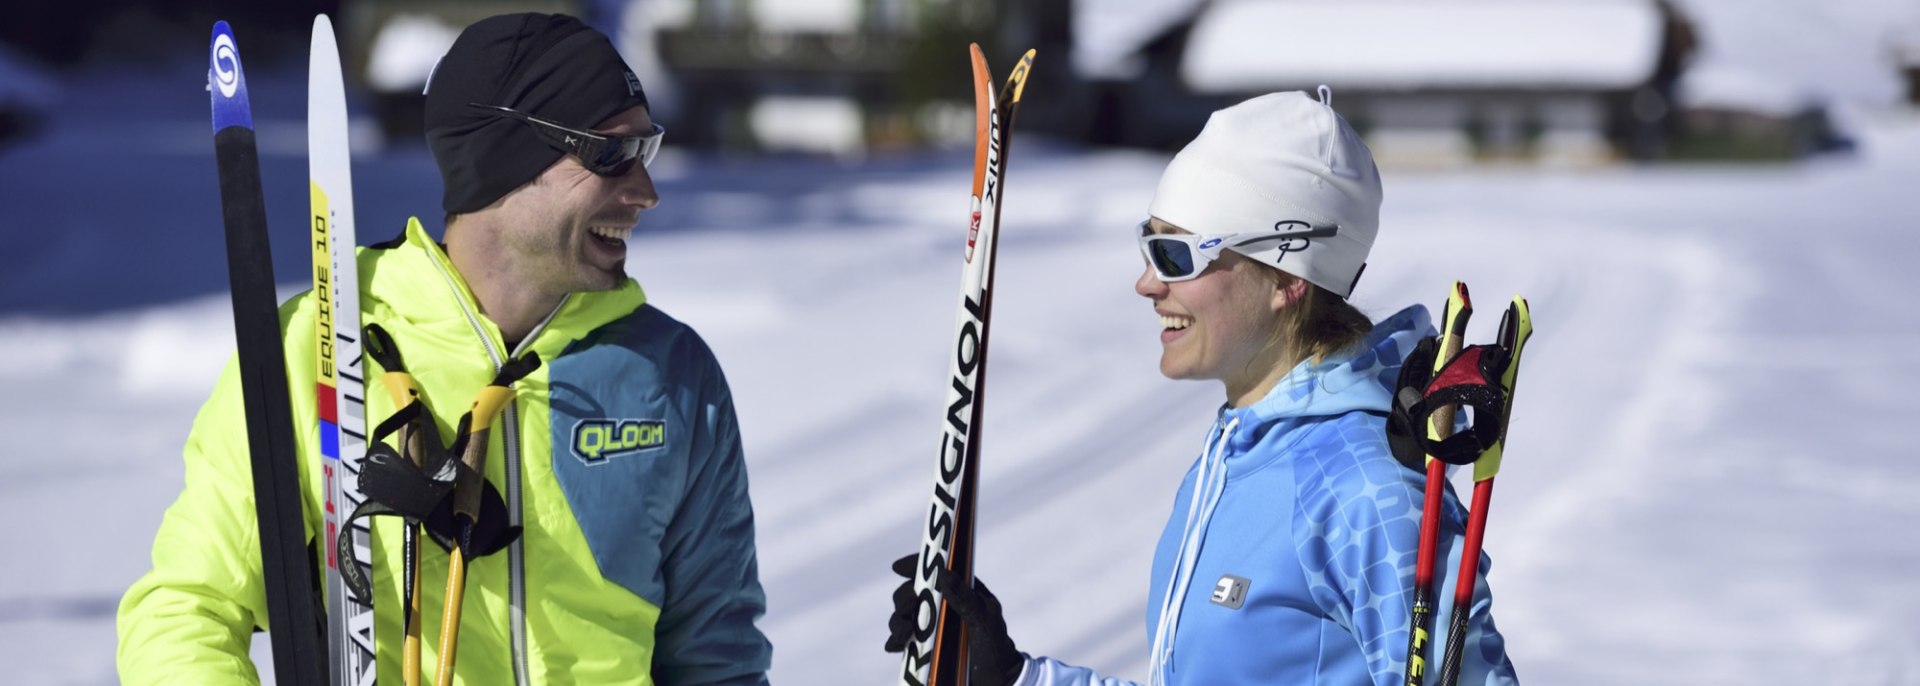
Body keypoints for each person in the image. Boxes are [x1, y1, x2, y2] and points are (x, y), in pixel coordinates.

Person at [117, 13, 771, 685]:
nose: (645, 191)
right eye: (609, 154)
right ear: (501, 157)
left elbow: (716, 655)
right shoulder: (314, 346)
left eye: (646, 150)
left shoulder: (669, 376)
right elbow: (186, 611)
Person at [885, 90, 1519, 685]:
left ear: (1285, 278)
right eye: (1148, 245)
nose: (1147, 283)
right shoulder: (1237, 458)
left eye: (1175, 255)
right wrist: (1013, 676)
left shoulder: (1363, 491)